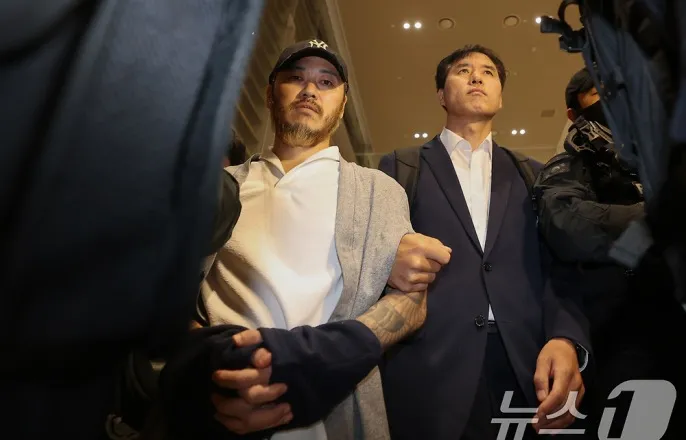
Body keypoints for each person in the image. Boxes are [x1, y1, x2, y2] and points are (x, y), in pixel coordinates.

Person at [161, 39, 451, 440]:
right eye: (295, 78)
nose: (310, 90)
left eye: (326, 82)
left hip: (340, 412)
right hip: (221, 407)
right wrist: (210, 362)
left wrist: (331, 355)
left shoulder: (377, 191)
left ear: (343, 105)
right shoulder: (220, 188)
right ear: (269, 94)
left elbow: (412, 302)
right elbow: (163, 296)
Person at [377, 45, 591, 440]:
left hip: (525, 366)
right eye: (463, 70)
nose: (477, 77)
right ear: (441, 95)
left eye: (488, 72)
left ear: (501, 97)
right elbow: (376, 261)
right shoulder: (400, 166)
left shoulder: (536, 175)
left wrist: (566, 338)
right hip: (430, 366)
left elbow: (559, 266)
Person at [533, 67, 686, 439]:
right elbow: (565, 224)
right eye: (598, 98)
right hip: (619, 334)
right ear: (574, 114)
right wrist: (660, 217)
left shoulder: (659, 158)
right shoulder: (572, 162)